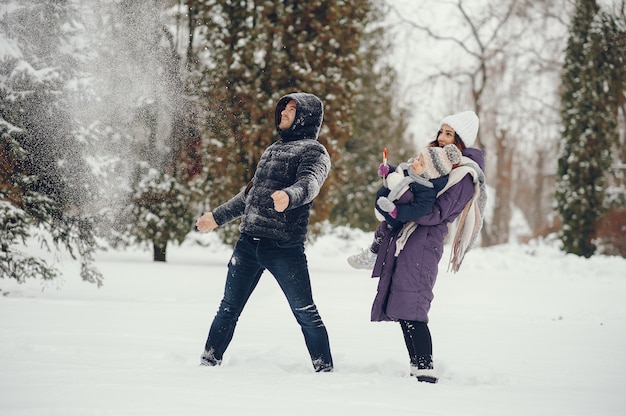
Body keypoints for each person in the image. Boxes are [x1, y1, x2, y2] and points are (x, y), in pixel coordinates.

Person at [195, 92, 334, 373]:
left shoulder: (314, 151)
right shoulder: (271, 150)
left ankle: (324, 368)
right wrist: (216, 218)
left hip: (284, 248)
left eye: (292, 109)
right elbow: (249, 195)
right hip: (248, 244)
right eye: (283, 107)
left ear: (305, 117)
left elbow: (310, 183)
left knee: (305, 312)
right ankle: (209, 361)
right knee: (228, 308)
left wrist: (289, 195)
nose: (283, 112)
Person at [369, 110, 486, 383]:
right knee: (402, 304)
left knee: (414, 305)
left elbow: (437, 213)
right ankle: (416, 367)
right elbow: (410, 185)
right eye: (442, 132)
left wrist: (402, 206)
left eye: (450, 134)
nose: (442, 138)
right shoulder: (432, 162)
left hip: (425, 243)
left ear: (462, 142)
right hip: (407, 239)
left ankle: (425, 370)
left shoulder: (464, 175)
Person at [347, 144, 462, 270]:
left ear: (430, 174)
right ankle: (373, 254)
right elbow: (398, 172)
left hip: (399, 217)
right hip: (386, 206)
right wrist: (387, 170)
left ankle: (373, 256)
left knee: (383, 232)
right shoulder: (410, 171)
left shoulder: (427, 190)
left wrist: (396, 211)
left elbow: (419, 209)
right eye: (418, 158)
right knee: (380, 231)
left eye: (422, 164)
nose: (416, 163)